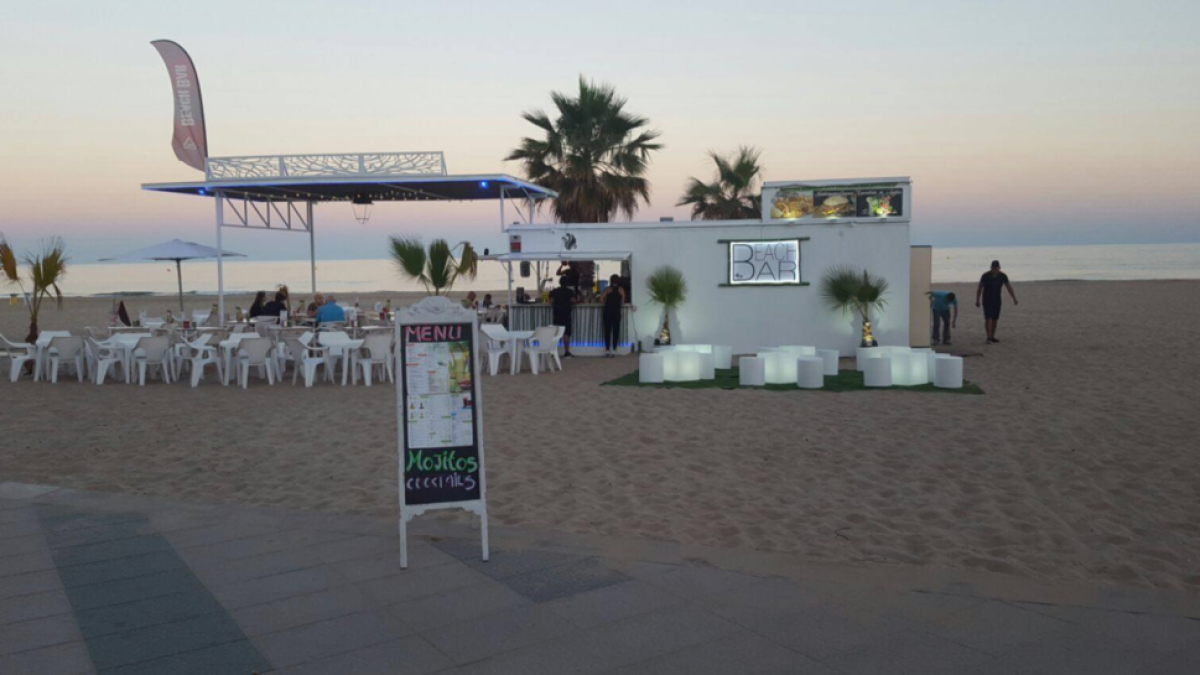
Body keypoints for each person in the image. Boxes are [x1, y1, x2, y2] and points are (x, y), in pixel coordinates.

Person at [976, 260, 1018, 344]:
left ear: (999, 268)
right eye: (993, 268)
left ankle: (992, 336)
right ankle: (988, 337)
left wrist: (1014, 298)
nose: (994, 270)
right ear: (991, 268)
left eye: (996, 268)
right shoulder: (985, 276)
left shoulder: (1003, 276)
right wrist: (977, 300)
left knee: (995, 319)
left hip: (997, 299)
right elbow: (980, 288)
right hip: (987, 299)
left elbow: (1008, 287)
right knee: (988, 318)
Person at [598, 274, 626, 357]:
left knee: (607, 331)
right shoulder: (621, 289)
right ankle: (614, 350)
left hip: (607, 311)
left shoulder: (607, 289)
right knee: (616, 331)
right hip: (616, 312)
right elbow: (623, 302)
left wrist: (606, 303)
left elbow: (600, 299)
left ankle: (607, 350)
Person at [549, 276, 575, 358]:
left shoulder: (554, 291)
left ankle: (553, 351)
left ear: (559, 282)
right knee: (566, 333)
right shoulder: (570, 291)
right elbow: (573, 301)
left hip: (557, 314)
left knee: (556, 333)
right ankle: (566, 352)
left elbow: (551, 301)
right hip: (566, 314)